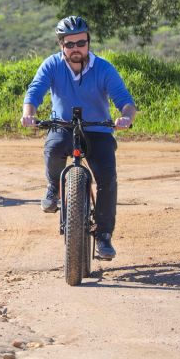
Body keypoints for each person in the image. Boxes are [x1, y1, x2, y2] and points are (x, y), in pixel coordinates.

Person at [20, 15, 137, 260]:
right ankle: (53, 188)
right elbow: (35, 92)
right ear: (61, 45)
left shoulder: (103, 68)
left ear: (88, 42)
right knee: (53, 149)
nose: (76, 49)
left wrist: (126, 117)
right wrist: (28, 114)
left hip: (98, 129)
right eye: (69, 44)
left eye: (80, 43)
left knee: (107, 178)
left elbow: (125, 101)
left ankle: (104, 235)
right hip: (62, 126)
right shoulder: (52, 65)